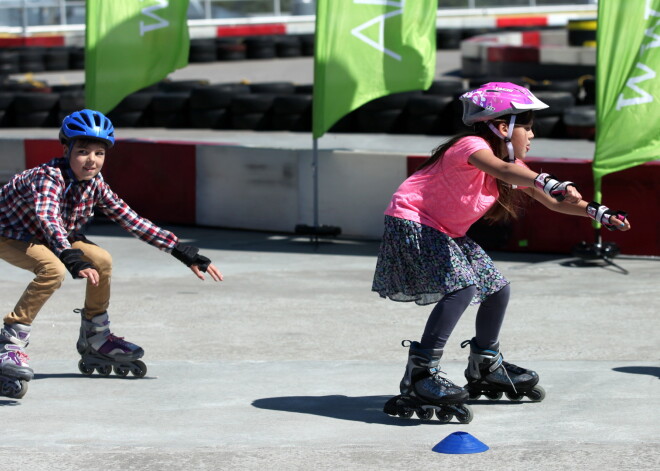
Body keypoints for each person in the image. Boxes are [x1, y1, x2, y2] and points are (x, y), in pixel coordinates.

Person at [374, 82, 631, 421]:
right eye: (527, 126)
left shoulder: (507, 165)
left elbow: (554, 203)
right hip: (414, 221)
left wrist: (598, 212)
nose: (532, 135)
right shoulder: (472, 145)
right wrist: (551, 180)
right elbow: (508, 171)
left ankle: (485, 364)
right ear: (502, 126)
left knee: (496, 288)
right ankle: (420, 374)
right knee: (462, 287)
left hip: (445, 231)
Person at [0, 109, 222, 398]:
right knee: (52, 270)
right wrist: (70, 257)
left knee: (102, 260)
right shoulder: (48, 178)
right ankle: (10, 344)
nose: (91, 160)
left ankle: (96, 337)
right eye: (82, 151)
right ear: (66, 149)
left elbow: (131, 219)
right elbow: (48, 219)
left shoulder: (95, 184)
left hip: (50, 236)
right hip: (9, 235)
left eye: (99, 153)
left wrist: (181, 250)